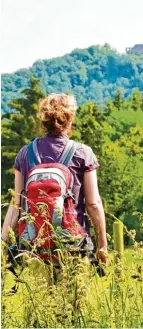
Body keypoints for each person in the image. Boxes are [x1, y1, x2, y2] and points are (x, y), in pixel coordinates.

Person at [1, 93, 108, 269]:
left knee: (39, 296)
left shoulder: (25, 154)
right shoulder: (83, 153)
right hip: (73, 246)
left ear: (43, 121)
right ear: (70, 119)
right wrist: (102, 245)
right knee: (74, 296)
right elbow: (93, 204)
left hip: (34, 249)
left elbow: (16, 206)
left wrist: (3, 247)